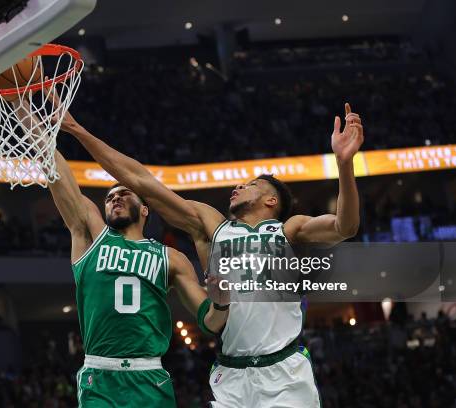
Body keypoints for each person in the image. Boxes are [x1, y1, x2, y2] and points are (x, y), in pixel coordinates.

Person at [62, 103, 363, 407]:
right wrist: (78, 131)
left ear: (271, 200)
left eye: (250, 185)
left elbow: (345, 226)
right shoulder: (210, 226)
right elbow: (141, 181)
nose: (238, 186)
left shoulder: (289, 230)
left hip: (284, 370)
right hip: (232, 375)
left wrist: (344, 164)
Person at [12, 100, 228, 407]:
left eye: (124, 193)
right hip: (100, 374)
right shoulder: (90, 236)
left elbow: (210, 321)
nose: (115, 198)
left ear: (144, 210)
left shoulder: (171, 257)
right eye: (110, 197)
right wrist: (21, 111)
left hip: (149, 375)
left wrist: (222, 298)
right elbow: (54, 165)